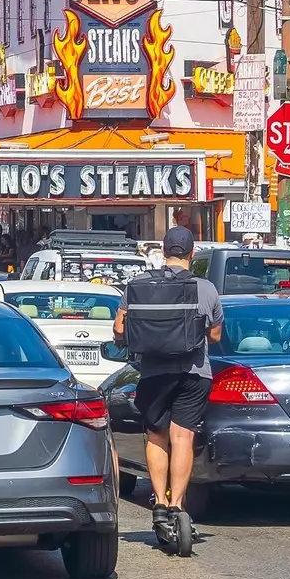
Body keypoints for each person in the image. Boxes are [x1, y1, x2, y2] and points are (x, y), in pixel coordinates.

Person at [114, 226, 222, 549]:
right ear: (191, 254)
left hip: (154, 374)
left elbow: (120, 329)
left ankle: (159, 502)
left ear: (163, 252)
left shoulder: (138, 287)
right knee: (183, 436)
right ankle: (178, 507)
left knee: (157, 435)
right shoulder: (206, 289)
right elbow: (215, 336)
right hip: (194, 373)